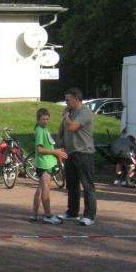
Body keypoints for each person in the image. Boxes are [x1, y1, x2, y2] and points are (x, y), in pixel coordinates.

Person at [57, 87, 96, 226]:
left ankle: (89, 215)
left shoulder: (85, 112)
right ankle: (72, 212)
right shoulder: (69, 112)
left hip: (84, 153)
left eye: (68, 99)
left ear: (77, 99)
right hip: (70, 152)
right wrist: (60, 143)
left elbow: (73, 127)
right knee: (72, 185)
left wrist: (66, 117)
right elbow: (63, 130)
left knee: (87, 185)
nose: (66, 102)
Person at [30, 108, 67, 224]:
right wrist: (55, 152)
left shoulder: (43, 129)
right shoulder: (40, 131)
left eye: (47, 119)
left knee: (41, 188)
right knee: (46, 188)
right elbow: (39, 149)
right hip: (45, 164)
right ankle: (48, 215)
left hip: (46, 162)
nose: (45, 121)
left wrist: (57, 150)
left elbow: (48, 145)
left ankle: (34, 214)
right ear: (38, 120)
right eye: (43, 119)